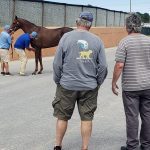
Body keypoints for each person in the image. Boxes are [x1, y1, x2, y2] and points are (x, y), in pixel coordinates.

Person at [52, 11, 107, 150]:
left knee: (62, 116)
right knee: (87, 118)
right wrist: (97, 82)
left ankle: (57, 146)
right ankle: (84, 147)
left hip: (67, 85)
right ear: (90, 24)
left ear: (77, 22)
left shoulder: (66, 37)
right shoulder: (97, 40)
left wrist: (58, 80)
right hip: (89, 86)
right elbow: (103, 66)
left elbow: (57, 63)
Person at [112, 13, 150, 150]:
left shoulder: (125, 41)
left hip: (131, 88)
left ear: (128, 26)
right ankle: (146, 145)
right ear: (140, 26)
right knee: (147, 115)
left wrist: (113, 82)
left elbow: (119, 65)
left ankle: (132, 146)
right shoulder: (148, 41)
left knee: (132, 117)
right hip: (148, 86)